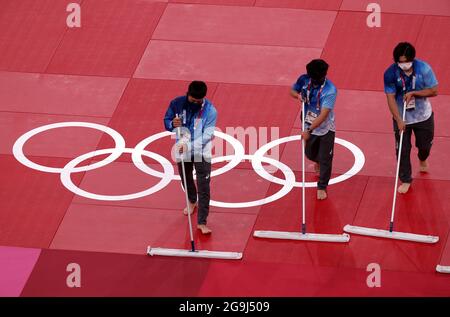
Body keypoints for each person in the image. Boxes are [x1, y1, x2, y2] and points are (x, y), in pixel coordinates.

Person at [384, 42, 438, 194]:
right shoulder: (390, 73)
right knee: (402, 149)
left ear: (412, 59)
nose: (404, 65)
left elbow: (434, 91)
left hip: (423, 116)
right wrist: (398, 120)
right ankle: (406, 179)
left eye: (406, 61)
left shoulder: (424, 69)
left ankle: (422, 157)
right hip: (401, 117)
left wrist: (415, 93)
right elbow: (390, 98)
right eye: (400, 62)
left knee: (424, 146)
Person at [163, 81, 217, 234]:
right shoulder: (177, 103)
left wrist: (189, 146)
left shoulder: (210, 111)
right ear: (188, 94)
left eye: (198, 102)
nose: (195, 103)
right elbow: (166, 121)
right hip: (183, 149)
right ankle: (192, 200)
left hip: (201, 152)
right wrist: (172, 124)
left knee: (204, 186)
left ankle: (202, 222)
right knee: (185, 178)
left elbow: (207, 135)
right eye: (192, 100)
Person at [290, 59, 337, 200]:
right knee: (309, 153)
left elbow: (323, 115)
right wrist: (298, 96)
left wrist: (308, 130)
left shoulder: (330, 90)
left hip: (325, 128)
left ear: (324, 75)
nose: (314, 81)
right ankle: (316, 160)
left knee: (326, 159)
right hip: (306, 121)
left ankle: (322, 185)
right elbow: (292, 91)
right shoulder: (304, 79)